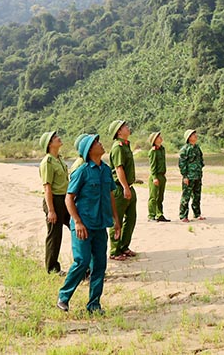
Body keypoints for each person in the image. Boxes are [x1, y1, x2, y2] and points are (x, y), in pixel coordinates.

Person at [57, 134, 121, 314]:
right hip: (83, 225)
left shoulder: (106, 170)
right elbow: (69, 199)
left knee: (100, 264)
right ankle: (63, 296)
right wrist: (77, 222)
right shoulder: (82, 171)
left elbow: (110, 196)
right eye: (97, 143)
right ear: (89, 150)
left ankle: (94, 304)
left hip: (101, 224)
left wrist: (116, 220)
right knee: (82, 261)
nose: (101, 144)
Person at [39, 130, 70, 274]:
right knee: (54, 235)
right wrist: (51, 210)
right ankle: (52, 268)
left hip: (65, 200)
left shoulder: (59, 160)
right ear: (49, 144)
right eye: (55, 137)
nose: (59, 138)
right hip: (54, 200)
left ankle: (84, 263)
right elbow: (47, 187)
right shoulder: (47, 162)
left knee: (77, 228)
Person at [107, 120, 137, 260]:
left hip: (128, 186)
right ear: (119, 131)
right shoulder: (118, 147)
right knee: (117, 220)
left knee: (131, 219)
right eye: (124, 126)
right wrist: (125, 187)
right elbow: (119, 169)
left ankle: (124, 246)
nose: (127, 128)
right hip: (120, 189)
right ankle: (115, 250)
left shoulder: (125, 145)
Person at [178, 129, 205, 222]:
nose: (195, 136)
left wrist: (200, 169)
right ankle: (183, 216)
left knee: (197, 196)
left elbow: (201, 160)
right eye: (193, 135)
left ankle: (197, 214)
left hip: (197, 175)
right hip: (189, 176)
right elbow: (182, 164)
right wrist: (185, 176)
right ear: (189, 138)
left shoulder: (197, 148)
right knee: (186, 196)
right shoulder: (185, 149)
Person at [147, 132, 169, 222]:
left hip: (162, 175)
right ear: (154, 140)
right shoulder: (153, 151)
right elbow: (152, 166)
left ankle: (159, 214)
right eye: (158, 137)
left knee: (160, 197)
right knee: (153, 197)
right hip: (155, 176)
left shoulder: (162, 149)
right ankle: (151, 215)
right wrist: (154, 177)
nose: (160, 138)